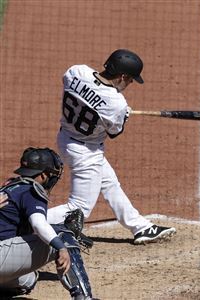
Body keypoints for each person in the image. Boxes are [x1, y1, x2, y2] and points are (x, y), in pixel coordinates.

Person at [47, 49, 176, 244]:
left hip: (66, 139)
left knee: (110, 184)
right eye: (130, 79)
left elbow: (80, 91)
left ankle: (140, 227)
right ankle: (21, 220)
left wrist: (108, 107)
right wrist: (122, 115)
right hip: (85, 153)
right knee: (79, 208)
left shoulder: (77, 71)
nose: (130, 83)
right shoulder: (116, 104)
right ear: (122, 76)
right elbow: (114, 132)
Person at [0, 147, 99, 299]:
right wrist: (61, 246)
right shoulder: (31, 189)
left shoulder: (9, 187)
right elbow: (39, 224)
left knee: (29, 279)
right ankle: (84, 297)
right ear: (43, 175)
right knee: (63, 233)